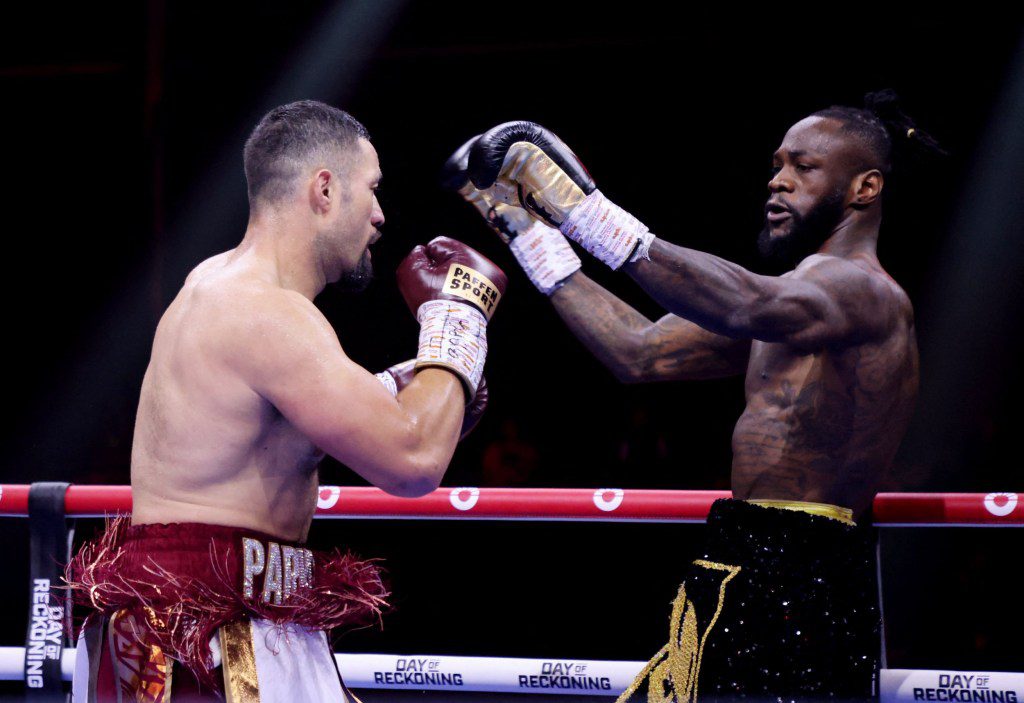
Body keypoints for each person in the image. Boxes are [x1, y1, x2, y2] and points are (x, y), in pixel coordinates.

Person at [447, 91, 942, 700]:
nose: (778, 182)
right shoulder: (794, 308)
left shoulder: (862, 292)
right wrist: (530, 234)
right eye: (777, 165)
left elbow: (745, 301)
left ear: (865, 188)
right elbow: (639, 351)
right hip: (743, 556)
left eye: (804, 168)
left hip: (805, 570)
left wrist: (583, 210)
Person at [66, 100, 507, 703]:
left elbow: (297, 428)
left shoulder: (222, 286)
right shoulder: (265, 313)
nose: (380, 215)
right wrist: (455, 319)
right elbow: (413, 463)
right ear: (324, 190)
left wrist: (409, 388)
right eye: (372, 189)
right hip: (205, 639)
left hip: (243, 616)